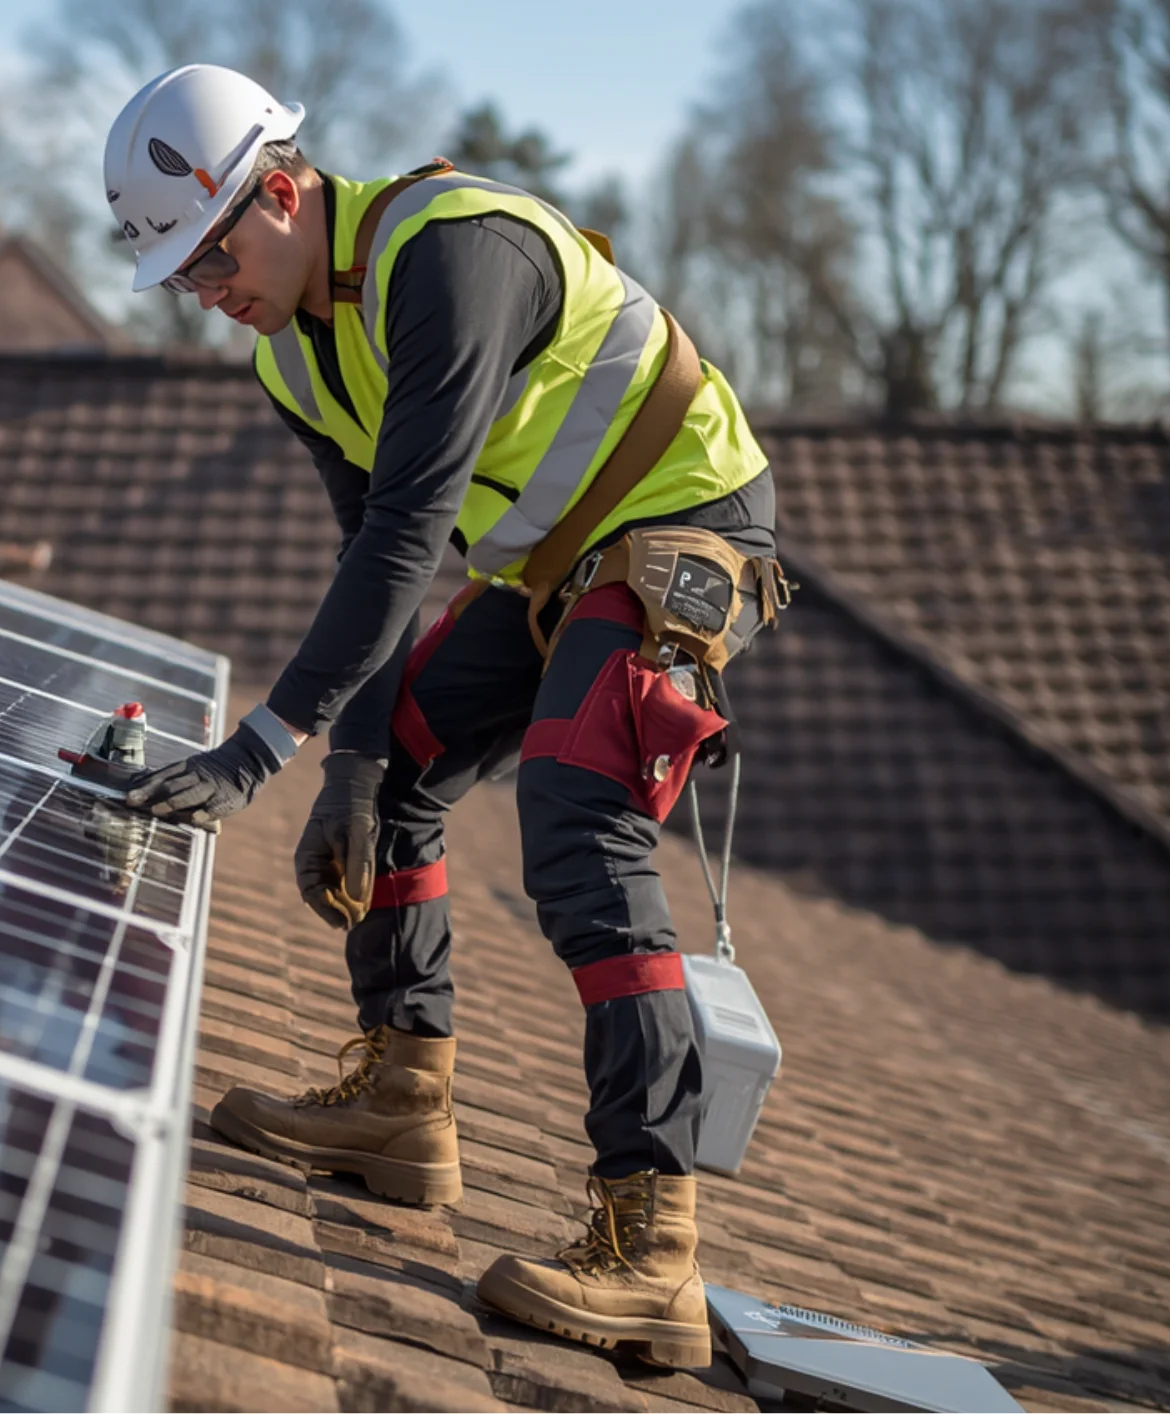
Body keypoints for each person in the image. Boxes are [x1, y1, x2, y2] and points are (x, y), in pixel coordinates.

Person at [105, 64, 785, 1370]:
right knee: (401, 755)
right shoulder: (293, 358)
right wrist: (351, 757)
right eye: (182, 276)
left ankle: (654, 1244)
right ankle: (405, 1097)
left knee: (582, 812)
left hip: (685, 522)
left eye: (215, 253)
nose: (210, 293)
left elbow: (415, 525)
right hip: (554, 574)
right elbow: (373, 547)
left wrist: (264, 745)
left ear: (288, 190)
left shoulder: (451, 254)